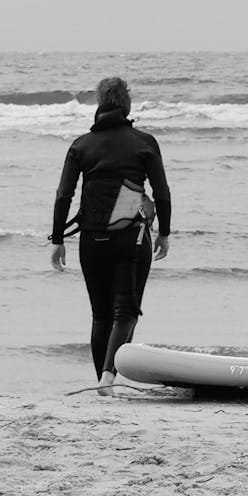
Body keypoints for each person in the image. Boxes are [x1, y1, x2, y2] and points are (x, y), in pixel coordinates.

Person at [49, 77, 171, 395]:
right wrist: (165, 233)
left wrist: (58, 238)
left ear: (99, 105)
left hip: (91, 241)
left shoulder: (81, 145)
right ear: (127, 104)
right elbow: (162, 191)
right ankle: (108, 378)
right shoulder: (144, 142)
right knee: (126, 312)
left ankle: (103, 382)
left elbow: (64, 194)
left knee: (101, 314)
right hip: (131, 239)